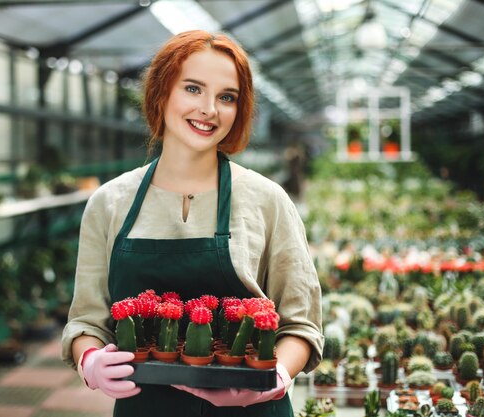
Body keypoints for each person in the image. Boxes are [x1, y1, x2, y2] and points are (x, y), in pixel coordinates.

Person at [61, 30, 323, 417]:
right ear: (161, 93)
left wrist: (275, 378)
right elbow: (86, 320)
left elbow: (301, 325)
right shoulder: (110, 203)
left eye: (226, 97)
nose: (210, 109)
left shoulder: (267, 200)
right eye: (193, 89)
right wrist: (90, 362)